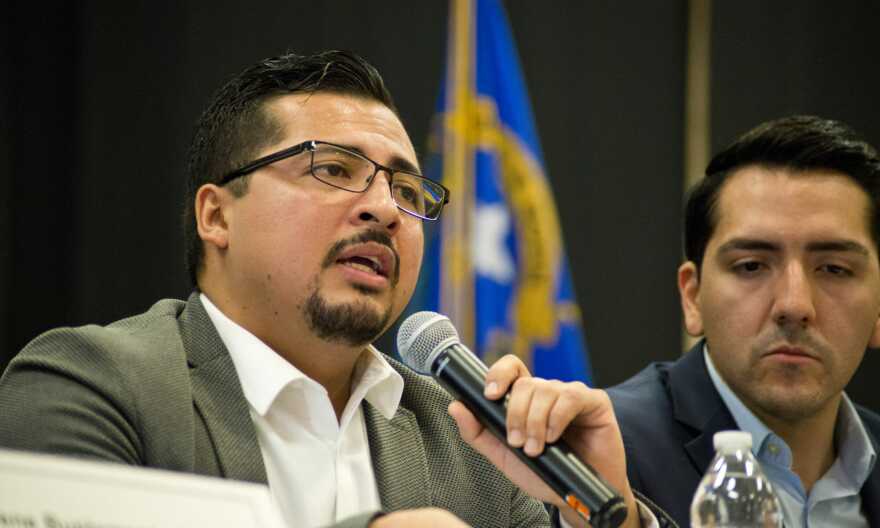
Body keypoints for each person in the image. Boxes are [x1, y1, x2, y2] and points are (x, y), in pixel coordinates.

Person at [0, 50, 664, 528]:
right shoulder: (92, 386)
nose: (385, 208)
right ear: (216, 215)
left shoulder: (472, 439)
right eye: (333, 169)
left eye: (407, 190)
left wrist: (609, 513)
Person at [608, 115, 880, 526]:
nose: (794, 305)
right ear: (693, 296)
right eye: (752, 266)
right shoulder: (604, 452)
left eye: (834, 269)